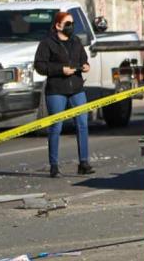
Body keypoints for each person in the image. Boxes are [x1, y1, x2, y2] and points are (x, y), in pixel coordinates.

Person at [34, 11, 95, 178]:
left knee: (82, 124)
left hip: (76, 88)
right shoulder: (47, 43)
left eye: (72, 23)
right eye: (67, 24)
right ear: (58, 25)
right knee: (56, 127)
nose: (71, 27)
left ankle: (84, 163)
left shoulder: (75, 41)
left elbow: (84, 59)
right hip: (56, 90)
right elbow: (40, 66)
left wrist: (85, 66)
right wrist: (60, 70)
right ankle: (54, 165)